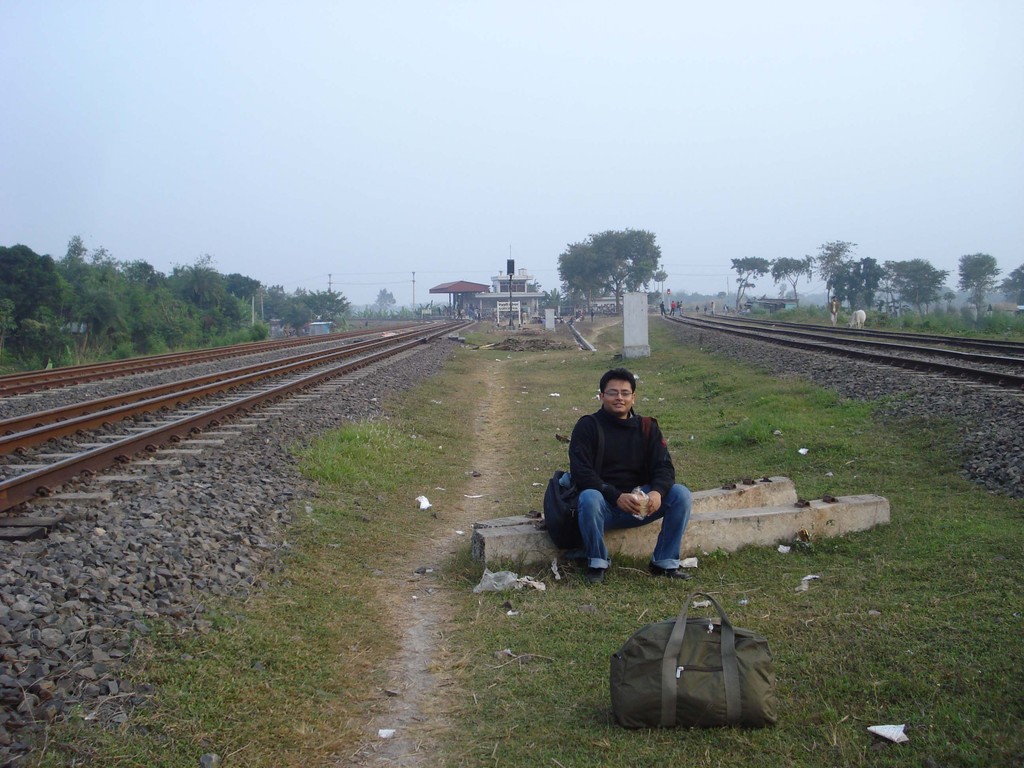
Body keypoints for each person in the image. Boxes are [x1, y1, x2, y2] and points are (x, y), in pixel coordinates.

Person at [568, 367, 693, 584]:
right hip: (604, 506)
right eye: (612, 392)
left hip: (640, 505)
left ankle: (664, 563)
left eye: (625, 393)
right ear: (601, 396)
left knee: (680, 494)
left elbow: (664, 467)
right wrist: (615, 496)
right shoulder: (588, 426)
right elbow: (581, 472)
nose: (619, 398)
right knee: (589, 497)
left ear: (633, 398)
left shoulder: (647, 427)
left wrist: (656, 492)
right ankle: (597, 562)